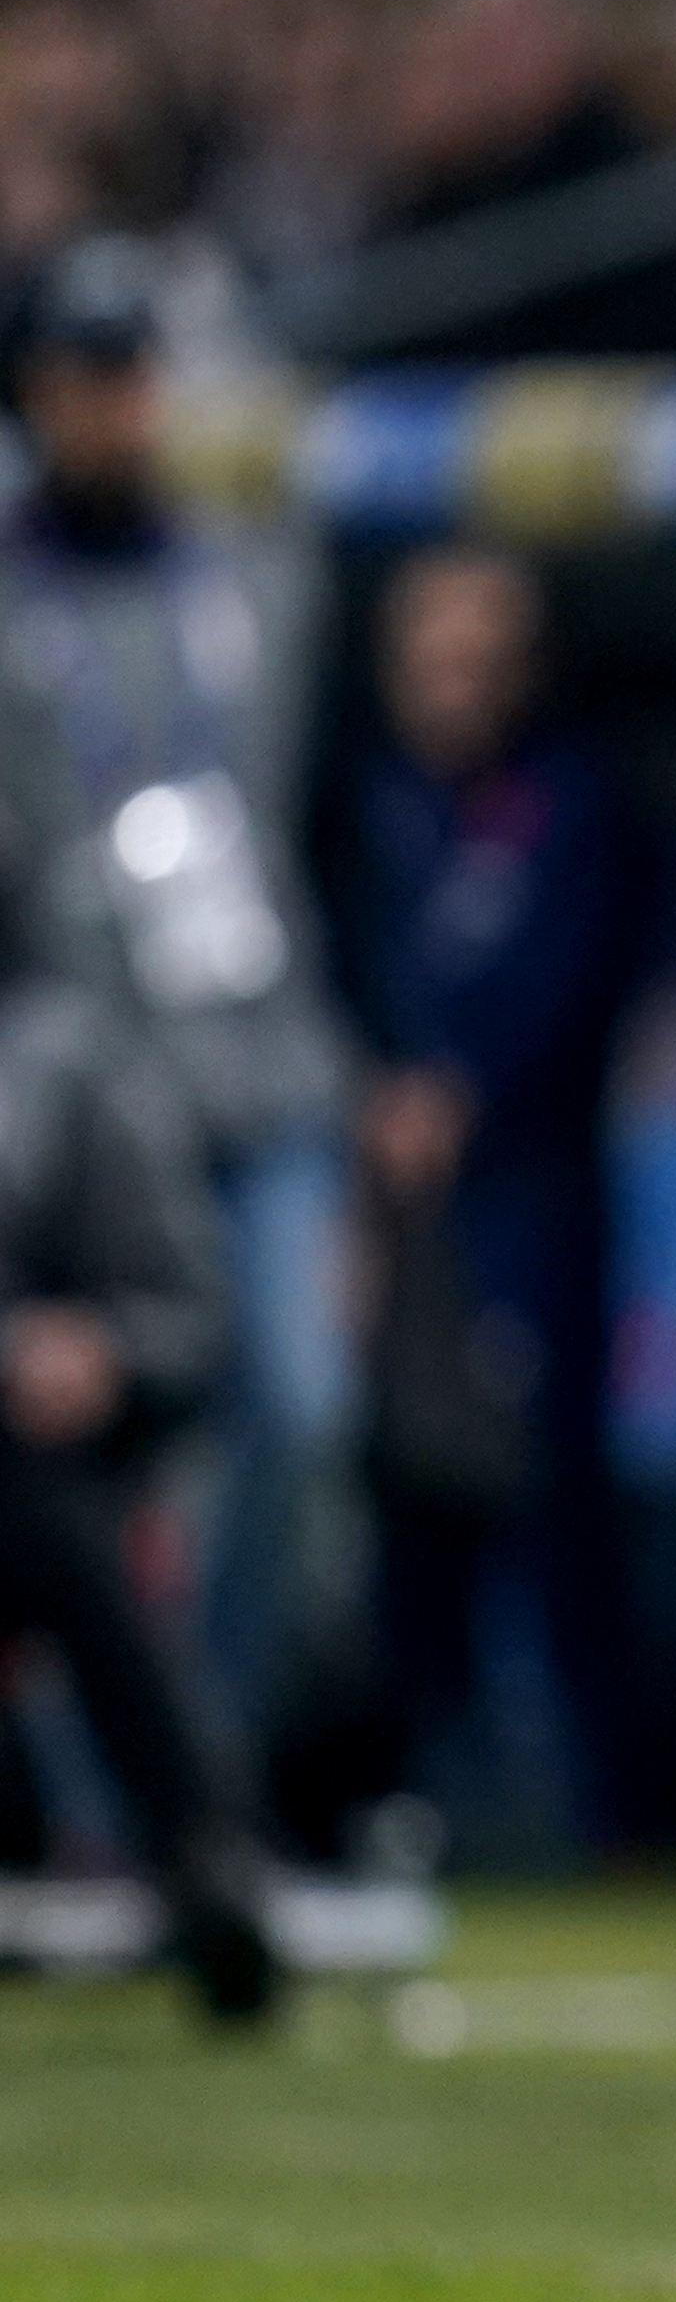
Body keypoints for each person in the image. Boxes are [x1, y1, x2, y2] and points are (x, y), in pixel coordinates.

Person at [0, 235, 357, 1777]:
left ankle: (199, 1769)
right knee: (88, 1447)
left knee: (299, 1411)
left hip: (261, 1057)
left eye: (132, 373)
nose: (112, 407)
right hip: (78, 1085)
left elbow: (325, 816)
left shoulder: (259, 574)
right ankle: (104, 1794)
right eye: (81, 377)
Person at [305, 543, 661, 1863]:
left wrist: (468, 1092)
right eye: (429, 657)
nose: (451, 686)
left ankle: (603, 1805)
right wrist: (375, 1091)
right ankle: (404, 1795)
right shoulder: (357, 802)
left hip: (530, 1190)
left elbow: (585, 980)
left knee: (549, 1489)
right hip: (379, 1195)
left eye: (479, 657)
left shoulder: (581, 801)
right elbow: (330, 961)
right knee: (389, 1496)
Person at [0, 956, 272, 2022]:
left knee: (54, 1526)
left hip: (26, 1471)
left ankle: (207, 1851)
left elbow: (191, 1315)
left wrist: (103, 1350)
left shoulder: (65, 1061)